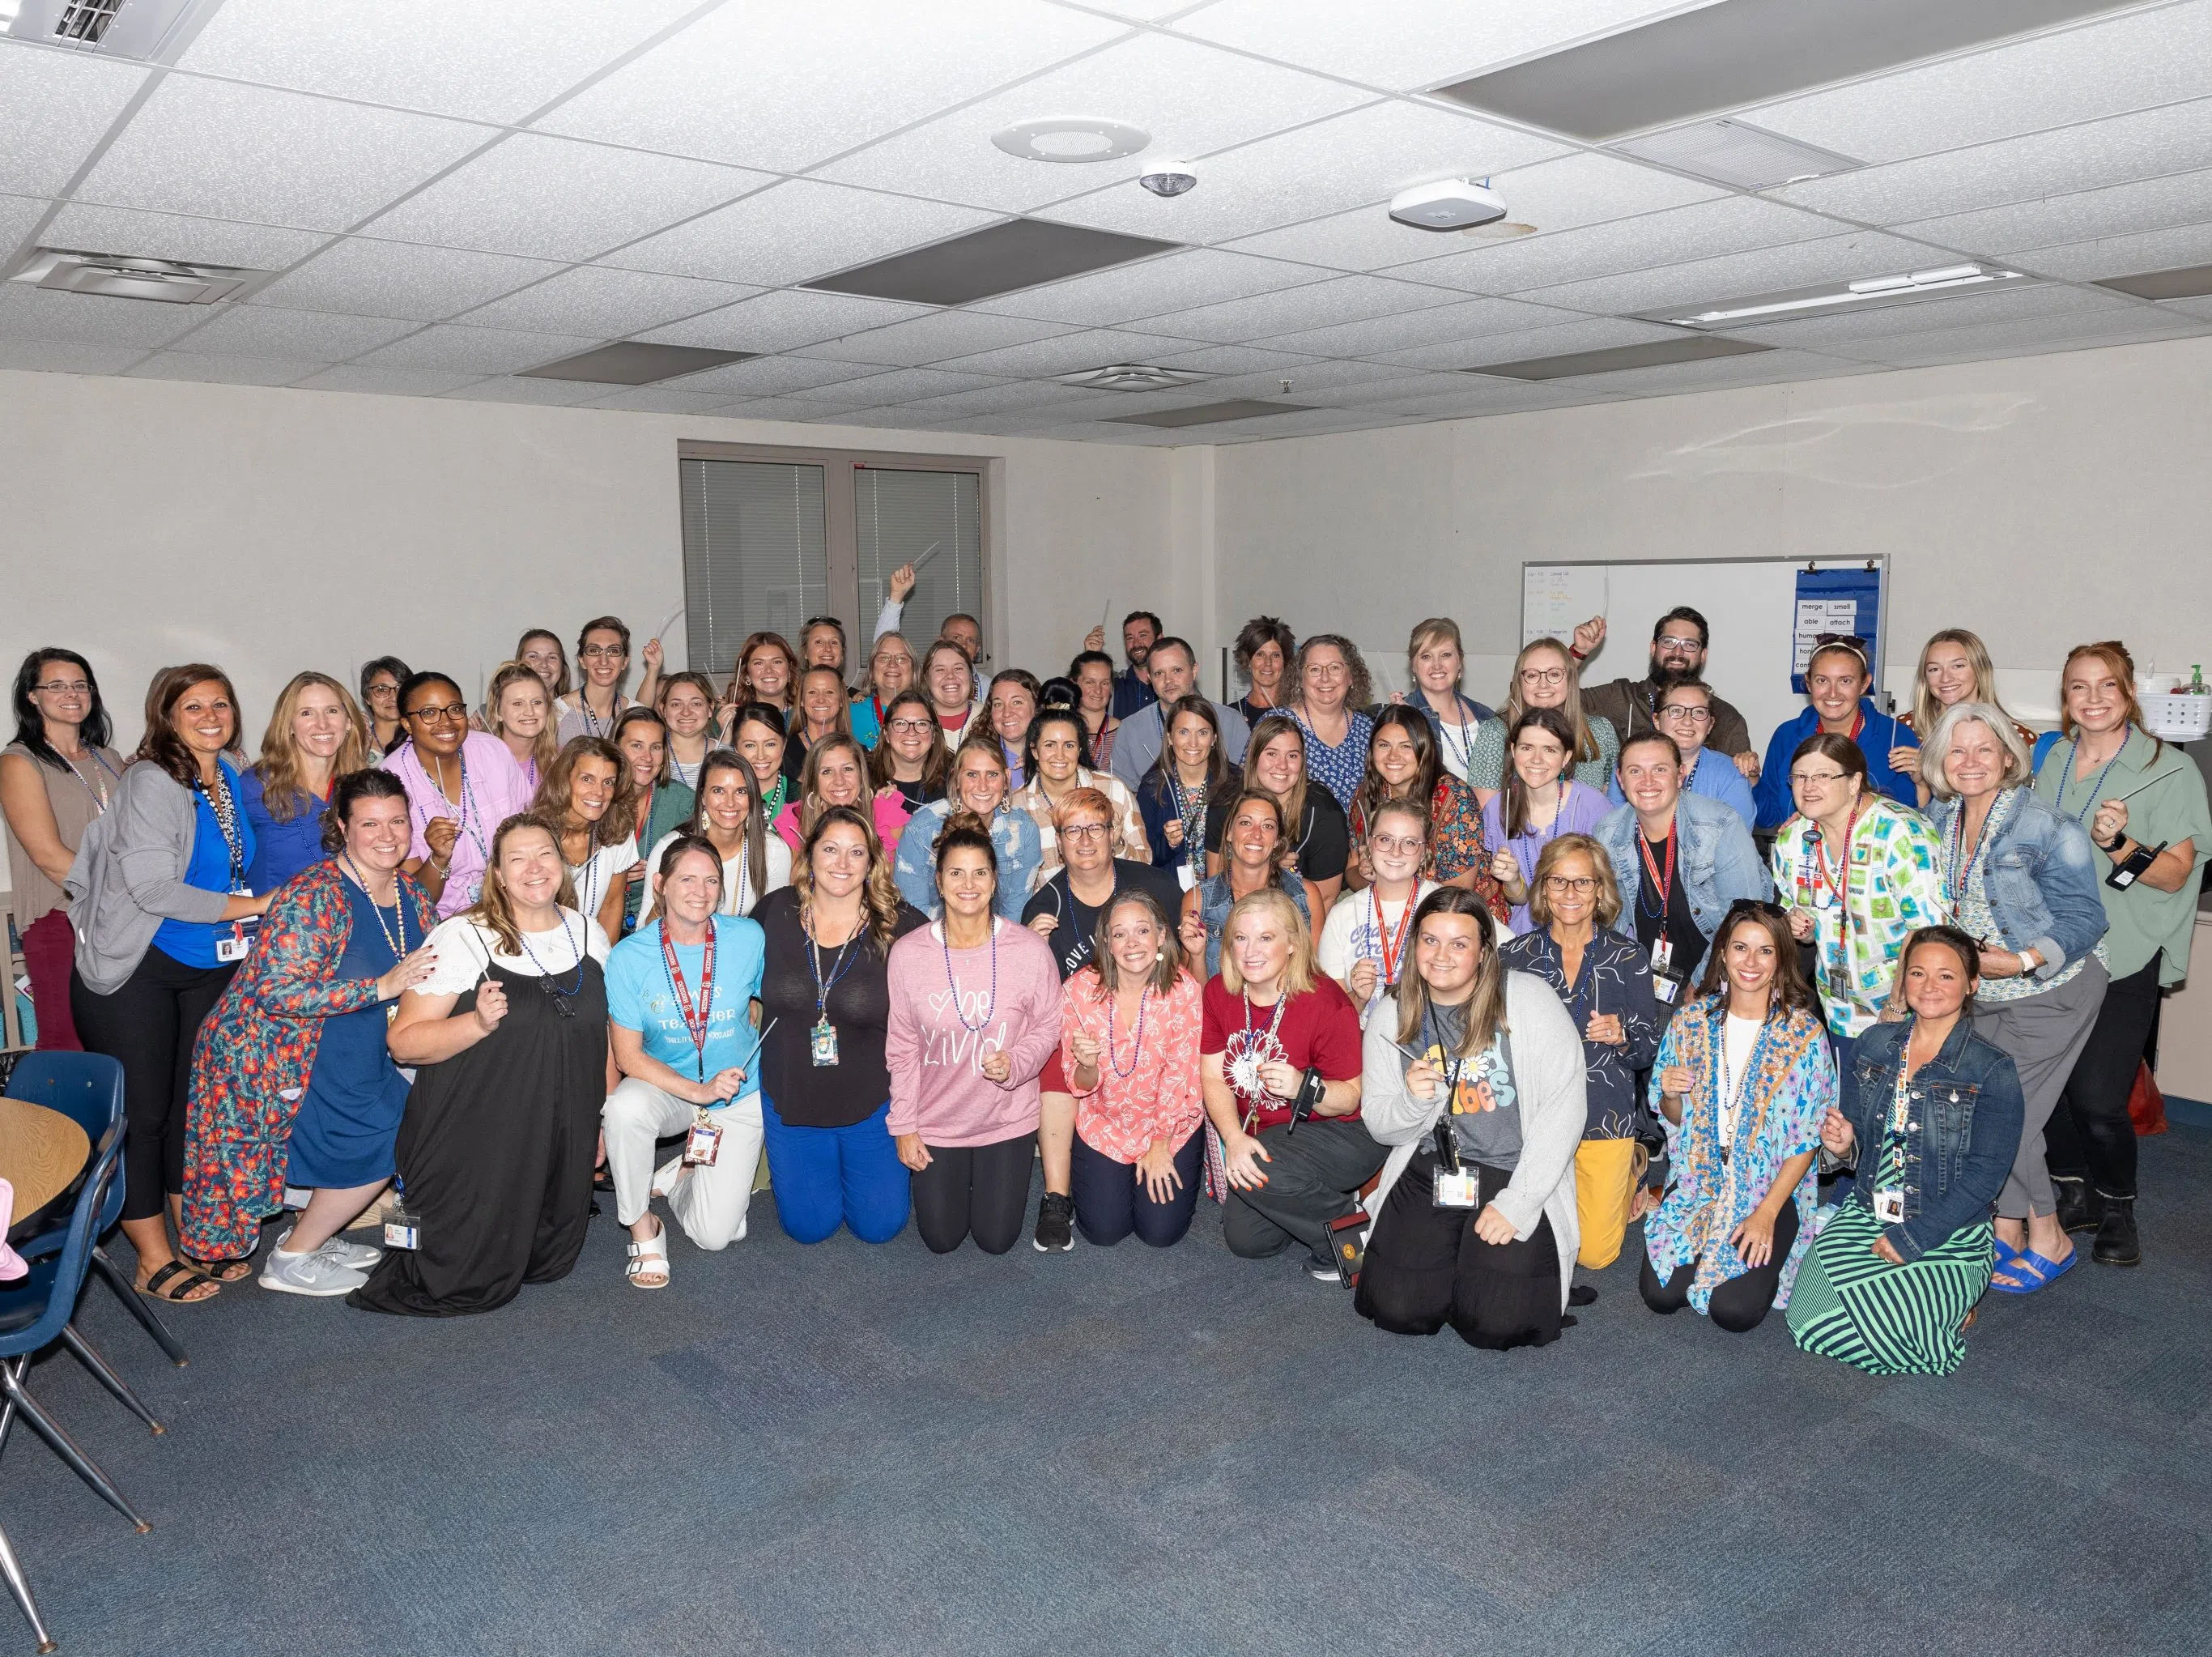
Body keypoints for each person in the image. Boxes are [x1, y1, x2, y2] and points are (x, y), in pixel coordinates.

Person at [179, 769, 436, 1295]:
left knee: (400, 1122)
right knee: (383, 1136)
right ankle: (292, 1259)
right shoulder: (314, 894)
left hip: (358, 1041)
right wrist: (380, 987)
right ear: (342, 827)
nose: (386, 835)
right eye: (370, 823)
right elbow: (274, 990)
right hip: (284, 1046)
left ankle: (314, 1234)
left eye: (397, 821)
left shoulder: (409, 890)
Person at [67, 664, 273, 1303]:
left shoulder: (229, 774)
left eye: (221, 704)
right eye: (193, 707)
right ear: (166, 716)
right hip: (139, 971)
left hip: (207, 967)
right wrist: (258, 906)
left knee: (192, 1111)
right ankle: (151, 1257)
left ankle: (194, 1234)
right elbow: (153, 888)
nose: (210, 715)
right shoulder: (154, 782)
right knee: (146, 1117)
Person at [353, 813, 611, 1316]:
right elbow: (403, 1043)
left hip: (561, 1128)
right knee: (462, 1277)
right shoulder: (462, 936)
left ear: (563, 864)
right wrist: (476, 1024)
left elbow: (599, 1038)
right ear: (496, 872)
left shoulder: (588, 932)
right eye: (517, 859)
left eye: (545, 855)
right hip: (479, 1129)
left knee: (550, 1259)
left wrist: (599, 1120)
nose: (534, 868)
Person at [1921, 701, 2109, 1293]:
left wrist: (2024, 959)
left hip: (2051, 988)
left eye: (1984, 749)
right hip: (1985, 994)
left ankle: (2049, 1234)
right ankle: (2005, 1228)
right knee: (1982, 1107)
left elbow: (2087, 918)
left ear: (2008, 757)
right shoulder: (1938, 819)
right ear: (1940, 762)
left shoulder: (2049, 826)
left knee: (2006, 1114)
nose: (1970, 761)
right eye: (1957, 750)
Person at [2037, 641, 2210, 1268]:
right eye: (2079, 687)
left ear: (2128, 692)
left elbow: (2173, 875)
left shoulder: (2168, 770)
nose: (2092, 699)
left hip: (2124, 950)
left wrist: (2121, 845)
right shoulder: (2055, 758)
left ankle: (2118, 1207)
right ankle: (2074, 1190)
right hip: (2055, 946)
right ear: (2066, 697)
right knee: (2045, 1085)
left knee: (2097, 1096)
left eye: (2106, 686)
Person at [1354, 888, 1587, 1348]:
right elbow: (1381, 1124)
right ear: (1414, 945)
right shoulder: (1390, 1014)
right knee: (1397, 1308)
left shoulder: (1527, 1000)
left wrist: (1520, 1203)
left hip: (1513, 1170)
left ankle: (1487, 1266)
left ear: (1484, 951)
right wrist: (1414, 1102)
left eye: (1459, 943)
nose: (1441, 956)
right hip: (1433, 1167)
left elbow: (1567, 1108)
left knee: (1496, 1322)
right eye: (1430, 940)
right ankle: (1457, 1260)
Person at [1790, 926, 2025, 1374]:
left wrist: (1912, 1239)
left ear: (1972, 983)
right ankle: (1928, 1308)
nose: (1929, 987)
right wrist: (1842, 1146)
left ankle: (1953, 1304)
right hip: (1867, 1212)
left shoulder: (1992, 1068)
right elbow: (1858, 1144)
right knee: (1808, 1321)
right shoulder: (1874, 1043)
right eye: (1917, 974)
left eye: (1946, 976)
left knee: (1896, 1334)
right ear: (1904, 981)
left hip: (1948, 1228)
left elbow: (1986, 1179)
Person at [1643, 902, 1836, 1333]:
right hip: (1700, 1177)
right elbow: (1672, 1118)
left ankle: (1773, 1232)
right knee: (1660, 1296)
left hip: (1768, 1188)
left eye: (1766, 951)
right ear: (1723, 954)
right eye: (1740, 948)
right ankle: (1701, 1231)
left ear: (1782, 958)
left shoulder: (1804, 1034)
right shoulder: (1690, 1021)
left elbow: (1807, 1139)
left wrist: (1767, 1213)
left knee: (1733, 1313)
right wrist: (1672, 1094)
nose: (1751, 962)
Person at [886, 817, 1061, 1254]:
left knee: (996, 1240)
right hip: (937, 1121)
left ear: (994, 880)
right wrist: (904, 1126)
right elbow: (902, 1048)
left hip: (1005, 1118)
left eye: (980, 872)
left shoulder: (1030, 950)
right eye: (956, 873)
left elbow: (1050, 1023)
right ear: (939, 882)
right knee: (941, 1240)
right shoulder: (908, 955)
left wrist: (1017, 1064)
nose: (969, 884)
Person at [753, 807, 927, 1244]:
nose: (842, 864)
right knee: (808, 1228)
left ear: (872, 863)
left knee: (880, 1228)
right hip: (791, 1098)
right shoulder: (773, 913)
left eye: (856, 853)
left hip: (873, 1103)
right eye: (830, 850)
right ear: (809, 855)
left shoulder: (902, 926)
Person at [602, 835, 770, 1286]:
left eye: (711, 880)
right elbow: (627, 1056)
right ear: (660, 885)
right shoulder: (628, 956)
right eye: (687, 879)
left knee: (717, 1235)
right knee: (623, 1109)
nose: (701, 890)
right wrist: (696, 1091)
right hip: (667, 1086)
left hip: (736, 1091)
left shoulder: (747, 937)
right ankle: (643, 1229)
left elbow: (776, 997)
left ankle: (683, 1176)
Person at [1022, 788, 1184, 1253]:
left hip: (1153, 1032)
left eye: (1096, 827)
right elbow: (1037, 1004)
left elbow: (1185, 972)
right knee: (1056, 1050)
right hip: (1086, 1043)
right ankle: (1056, 1196)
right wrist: (1031, 953)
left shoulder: (1156, 887)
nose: (1086, 839)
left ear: (1114, 836)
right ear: (1060, 840)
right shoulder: (1043, 908)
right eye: (1074, 830)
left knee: (1159, 1226)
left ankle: (1158, 1142)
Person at [1497, 836, 1660, 1279]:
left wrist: (1622, 1034)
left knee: (1593, 1254)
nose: (1570, 894)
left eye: (1583, 882)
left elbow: (1648, 1050)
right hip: (1535, 1116)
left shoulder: (1629, 957)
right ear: (1543, 889)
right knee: (1532, 1236)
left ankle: (1634, 1169)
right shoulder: (1512, 956)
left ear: (1601, 890)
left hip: (1604, 1114)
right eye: (1559, 882)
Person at [1198, 887, 1369, 1280]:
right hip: (1268, 1134)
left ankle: (1352, 1227)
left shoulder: (1326, 1001)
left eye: (1265, 937)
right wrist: (1233, 1139)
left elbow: (1350, 1099)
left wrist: (1300, 1086)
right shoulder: (1219, 993)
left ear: (1293, 943)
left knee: (1265, 1169)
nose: (1250, 951)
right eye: (1241, 938)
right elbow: (1212, 1075)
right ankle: (1306, 1196)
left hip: (1344, 1133)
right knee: (1248, 1241)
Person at [1771, 734, 1947, 1067]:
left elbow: (1930, 933)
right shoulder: (1793, 840)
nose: (1809, 787)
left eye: (1824, 776)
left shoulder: (1902, 832)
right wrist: (1799, 925)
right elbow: (1803, 920)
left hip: (1912, 1010)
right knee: (1848, 1111)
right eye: (1800, 777)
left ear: (1854, 783)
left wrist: (1897, 1005)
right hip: (1839, 1007)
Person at [1060, 888, 1206, 1248]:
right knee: (1103, 1232)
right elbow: (1079, 1084)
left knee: (1160, 1233)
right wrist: (1087, 1064)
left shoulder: (1183, 990)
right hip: (1105, 1125)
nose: (1131, 943)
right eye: (1119, 933)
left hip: (1170, 1125)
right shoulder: (1078, 991)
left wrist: (1159, 1146)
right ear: (1107, 943)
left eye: (1142, 930)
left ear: (1160, 935)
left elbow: (1181, 1076)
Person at [1591, 731, 1771, 1004]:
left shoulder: (1721, 824)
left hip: (1725, 971)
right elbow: (1609, 920)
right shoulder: (1607, 832)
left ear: (1680, 775)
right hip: (1653, 974)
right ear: (1620, 778)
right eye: (1635, 771)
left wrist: (1701, 982)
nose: (1647, 781)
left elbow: (1744, 915)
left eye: (1660, 769)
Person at [2, 648, 123, 1050]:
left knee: (117, 1041)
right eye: (55, 686)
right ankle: (50, 1118)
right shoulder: (19, 762)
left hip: (118, 920)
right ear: (32, 697)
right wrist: (126, 895)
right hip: (61, 919)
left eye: (79, 685)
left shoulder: (108, 759)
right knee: (66, 1041)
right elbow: (49, 856)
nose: (71, 694)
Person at [382, 671, 533, 920]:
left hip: (511, 904)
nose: (446, 722)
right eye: (428, 713)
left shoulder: (492, 751)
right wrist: (438, 859)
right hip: (442, 920)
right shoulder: (390, 781)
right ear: (407, 724)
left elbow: (527, 836)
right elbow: (415, 900)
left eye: (454, 709)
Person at [1346, 705, 1504, 909]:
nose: (1393, 756)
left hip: (1455, 915)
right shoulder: (1366, 795)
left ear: (1424, 749)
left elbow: (1458, 891)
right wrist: (1367, 876)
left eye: (1406, 746)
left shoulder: (1454, 799)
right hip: (1386, 909)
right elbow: (1352, 872)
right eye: (1384, 745)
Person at [1753, 636, 1916, 830]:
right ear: (1808, 683)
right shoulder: (1786, 736)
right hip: (1804, 856)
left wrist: (1923, 781)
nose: (1832, 693)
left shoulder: (1896, 737)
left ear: (1864, 684)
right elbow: (1769, 818)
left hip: (1873, 857)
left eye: (1845, 681)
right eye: (1822, 680)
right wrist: (1752, 780)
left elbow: (1910, 816)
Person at [1572, 608, 1756, 773]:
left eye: (1690, 645)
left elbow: (1744, 790)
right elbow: (1556, 700)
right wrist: (1579, 652)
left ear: (1703, 655)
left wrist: (1750, 770)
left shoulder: (1726, 718)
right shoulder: (1620, 697)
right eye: (1668, 642)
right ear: (1654, 648)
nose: (1677, 652)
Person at [1480, 708, 1612, 935]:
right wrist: (1511, 880)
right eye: (1527, 748)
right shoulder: (1498, 810)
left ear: (1567, 757)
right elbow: (1521, 900)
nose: (1536, 760)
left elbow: (1609, 893)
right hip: (1528, 933)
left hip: (1586, 931)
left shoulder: (1593, 807)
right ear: (1513, 751)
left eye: (1550, 750)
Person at [239, 672, 369, 901]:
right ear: (289, 725)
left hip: (350, 925)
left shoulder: (363, 788)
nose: (322, 724)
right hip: (281, 928)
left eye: (332, 711)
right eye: (307, 713)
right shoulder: (254, 788)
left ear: (348, 722)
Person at [1316, 798, 1439, 1029]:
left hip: (1431, 1039)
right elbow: (1332, 1018)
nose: (1395, 851)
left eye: (1410, 842)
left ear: (1423, 853)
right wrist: (1359, 998)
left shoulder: (1446, 904)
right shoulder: (1342, 915)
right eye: (1385, 839)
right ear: (1369, 847)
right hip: (1364, 1040)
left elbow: (1499, 952)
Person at [892, 739, 1040, 920]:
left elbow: (1015, 911)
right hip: (934, 938)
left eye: (993, 774)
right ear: (956, 779)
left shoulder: (1024, 830)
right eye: (972, 774)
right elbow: (913, 912)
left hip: (999, 939)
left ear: (1006, 779)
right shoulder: (922, 828)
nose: (983, 786)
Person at [1180, 790, 1321, 978]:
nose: (1256, 834)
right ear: (1229, 833)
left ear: (1278, 840)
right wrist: (1197, 956)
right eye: (1246, 823)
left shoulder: (1305, 895)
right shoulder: (1198, 901)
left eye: (1268, 826)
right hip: (1220, 1008)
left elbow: (1312, 978)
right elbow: (1193, 997)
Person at [640, 748, 791, 922]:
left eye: (741, 791)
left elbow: (776, 924)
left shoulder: (773, 849)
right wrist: (662, 904)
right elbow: (643, 930)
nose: (730, 802)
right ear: (703, 796)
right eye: (718, 791)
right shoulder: (669, 848)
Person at [1893, 629, 2037, 807]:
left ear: (1980, 669)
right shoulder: (1902, 730)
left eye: (1958, 666)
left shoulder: (2021, 737)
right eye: (1934, 669)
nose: (1945, 678)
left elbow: (2028, 807)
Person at [1468, 637, 1620, 806]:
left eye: (1554, 674)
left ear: (1570, 680)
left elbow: (1614, 803)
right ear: (1519, 682)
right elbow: (1486, 813)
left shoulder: (1599, 732)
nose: (1543, 685)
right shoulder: (1495, 732)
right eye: (1532, 675)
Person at [1230, 713, 1350, 907]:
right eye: (1271, 753)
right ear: (1254, 757)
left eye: (1292, 756)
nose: (1282, 765)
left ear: (1303, 762)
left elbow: (1325, 899)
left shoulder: (1324, 814)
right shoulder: (1228, 802)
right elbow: (1217, 885)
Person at [1012, 706, 1146, 877]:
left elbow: (1144, 864)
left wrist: (1118, 845)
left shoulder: (1113, 791)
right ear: (1034, 751)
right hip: (1049, 903)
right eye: (1050, 745)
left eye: (1069, 745)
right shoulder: (1017, 808)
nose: (1060, 755)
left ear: (1079, 750)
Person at [1606, 680, 1758, 828]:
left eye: (1699, 712)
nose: (1687, 721)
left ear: (1710, 725)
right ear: (1656, 720)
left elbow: (1734, 844)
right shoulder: (1629, 764)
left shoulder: (1730, 775)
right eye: (1676, 710)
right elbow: (1616, 830)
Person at [1108, 637, 1251, 791]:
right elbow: (1122, 796)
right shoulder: (1131, 730)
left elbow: (1248, 788)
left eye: (1177, 670)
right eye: (1159, 673)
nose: (1168, 680)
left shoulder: (1231, 722)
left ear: (1194, 670)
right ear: (1149, 678)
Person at [534, 735, 637, 943]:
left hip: (589, 950)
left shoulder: (619, 831)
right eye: (587, 779)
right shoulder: (534, 833)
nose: (599, 792)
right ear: (565, 779)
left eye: (608, 782)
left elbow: (611, 906)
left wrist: (601, 966)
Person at [1137, 696, 1238, 890]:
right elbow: (1144, 859)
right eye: (1183, 732)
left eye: (1202, 732)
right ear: (1169, 737)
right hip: (1172, 897)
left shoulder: (1235, 783)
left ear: (1214, 738)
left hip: (1227, 893)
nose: (1193, 743)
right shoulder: (1152, 788)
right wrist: (1168, 844)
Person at [613, 707, 696, 936]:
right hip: (599, 916)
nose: (647, 758)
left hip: (660, 923)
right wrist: (611, 874)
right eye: (636, 745)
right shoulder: (597, 798)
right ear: (616, 748)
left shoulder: (683, 803)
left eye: (656, 747)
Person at [1393, 617, 1495, 786]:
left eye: (1446, 655)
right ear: (1413, 666)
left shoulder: (1486, 716)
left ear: (1460, 661)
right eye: (1426, 656)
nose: (1437, 666)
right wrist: (1404, 723)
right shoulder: (1400, 714)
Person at [774, 732, 908, 856]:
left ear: (862, 776)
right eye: (827, 772)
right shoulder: (794, 826)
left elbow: (892, 881)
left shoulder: (886, 820)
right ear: (814, 781)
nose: (839, 781)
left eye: (847, 769)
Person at [1285, 634, 1373, 810]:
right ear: (1300, 679)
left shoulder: (1368, 729)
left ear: (1351, 677)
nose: (1325, 678)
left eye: (1334, 668)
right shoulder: (1278, 723)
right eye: (1315, 669)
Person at [556, 616, 659, 744]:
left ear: (625, 662)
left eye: (613, 651)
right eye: (594, 650)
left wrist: (653, 668)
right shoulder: (557, 712)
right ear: (582, 660)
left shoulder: (633, 712)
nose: (603, 661)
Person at [867, 687, 951, 813]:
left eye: (921, 724)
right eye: (901, 723)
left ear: (934, 735)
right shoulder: (864, 775)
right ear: (886, 734)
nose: (911, 732)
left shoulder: (954, 777)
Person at [487, 660, 556, 793]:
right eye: (517, 704)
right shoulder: (480, 761)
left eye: (537, 702)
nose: (530, 712)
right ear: (497, 712)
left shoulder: (559, 761)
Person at [730, 701, 798, 820]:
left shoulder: (804, 796)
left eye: (770, 744)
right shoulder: (724, 799)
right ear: (736, 749)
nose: (761, 756)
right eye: (750, 745)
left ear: (784, 745)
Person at [849, 633, 917, 750]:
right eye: (884, 658)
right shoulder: (849, 714)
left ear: (914, 671)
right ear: (872, 669)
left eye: (901, 658)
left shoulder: (928, 713)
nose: (892, 664)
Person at [657, 669, 720, 789]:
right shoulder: (651, 755)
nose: (686, 712)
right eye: (676, 704)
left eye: (696, 704)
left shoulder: (727, 754)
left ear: (710, 708)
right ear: (663, 709)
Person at [726, 630, 800, 731]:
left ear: (790, 671)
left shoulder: (807, 714)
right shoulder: (730, 718)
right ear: (747, 675)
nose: (768, 670)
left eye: (777, 662)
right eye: (759, 663)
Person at [1230, 615, 1295, 724]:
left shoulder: (1298, 713)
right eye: (1260, 654)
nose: (1268, 663)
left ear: (1285, 662)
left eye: (1276, 655)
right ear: (1248, 660)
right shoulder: (1232, 714)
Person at [921, 638, 981, 748]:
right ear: (926, 678)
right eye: (940, 670)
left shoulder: (990, 717)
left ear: (971, 675)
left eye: (958, 668)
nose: (950, 676)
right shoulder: (914, 722)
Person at [985, 669, 1041, 787]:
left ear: (1036, 708)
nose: (1007, 713)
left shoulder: (1056, 755)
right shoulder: (979, 757)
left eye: (1017, 702)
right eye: (998, 704)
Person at [1070, 648, 1121, 771]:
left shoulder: (1125, 732)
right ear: (1074, 684)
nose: (1098, 691)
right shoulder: (1059, 729)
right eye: (1090, 682)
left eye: (1104, 683)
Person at [793, 663, 854, 758]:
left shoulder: (857, 752)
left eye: (829, 692)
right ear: (802, 701)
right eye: (812, 692)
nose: (821, 699)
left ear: (841, 700)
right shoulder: (783, 751)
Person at [359, 656, 410, 763]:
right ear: (367, 698)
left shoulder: (423, 741)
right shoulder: (358, 745)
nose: (394, 697)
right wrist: (360, 755)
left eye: (400, 688)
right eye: (381, 690)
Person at [515, 629, 571, 705]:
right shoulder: (502, 712)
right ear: (519, 662)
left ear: (562, 666)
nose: (544, 664)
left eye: (552, 657)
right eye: (533, 656)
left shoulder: (578, 713)